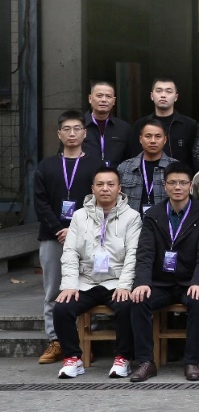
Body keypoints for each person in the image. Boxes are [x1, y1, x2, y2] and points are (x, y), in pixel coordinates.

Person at [128, 162, 199, 382]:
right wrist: (142, 282)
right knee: (138, 300)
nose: (178, 187)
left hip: (189, 282)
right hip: (161, 282)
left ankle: (192, 361)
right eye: (173, 183)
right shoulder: (153, 215)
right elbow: (145, 252)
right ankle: (146, 362)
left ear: (190, 185)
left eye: (183, 183)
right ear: (165, 185)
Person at [54, 167, 142, 379]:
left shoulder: (132, 217)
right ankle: (73, 358)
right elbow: (70, 252)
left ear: (119, 188)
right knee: (62, 308)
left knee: (127, 306)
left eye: (111, 184)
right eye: (100, 184)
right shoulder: (79, 216)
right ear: (92, 188)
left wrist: (125, 285)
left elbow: (133, 254)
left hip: (116, 281)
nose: (105, 189)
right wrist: (69, 285)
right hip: (86, 281)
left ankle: (123, 357)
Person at [33, 111, 100, 366]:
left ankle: (85, 340)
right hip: (53, 238)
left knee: (87, 288)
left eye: (77, 129)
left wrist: (76, 230)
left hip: (87, 238)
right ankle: (56, 340)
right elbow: (40, 203)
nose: (72, 134)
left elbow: (101, 201)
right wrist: (58, 229)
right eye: (67, 129)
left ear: (85, 133)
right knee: (53, 289)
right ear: (59, 134)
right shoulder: (46, 165)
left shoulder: (96, 165)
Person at [137, 77, 199, 171]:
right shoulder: (140, 125)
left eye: (168, 92)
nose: (163, 95)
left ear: (176, 97)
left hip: (180, 177)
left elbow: (195, 158)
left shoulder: (190, 125)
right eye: (159, 91)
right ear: (152, 96)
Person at [118, 119, 177, 216]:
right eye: (148, 136)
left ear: (165, 140)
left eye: (158, 136)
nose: (153, 141)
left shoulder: (175, 167)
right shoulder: (125, 167)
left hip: (165, 222)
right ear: (140, 139)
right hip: (132, 223)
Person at [82, 81, 134, 168]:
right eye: (99, 96)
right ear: (90, 98)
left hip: (116, 175)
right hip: (85, 175)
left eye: (108, 96)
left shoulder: (124, 128)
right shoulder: (78, 126)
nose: (104, 100)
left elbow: (130, 158)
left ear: (114, 101)